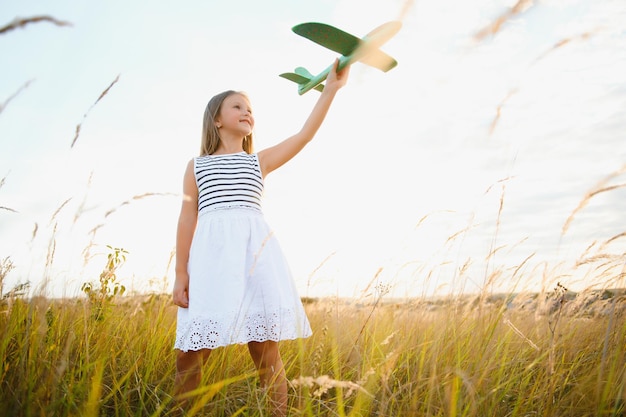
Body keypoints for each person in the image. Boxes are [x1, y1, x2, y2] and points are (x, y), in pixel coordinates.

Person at [172, 59, 350, 416]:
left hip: (255, 261)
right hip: (210, 265)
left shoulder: (258, 162)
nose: (247, 112)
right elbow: (187, 216)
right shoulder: (197, 166)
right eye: (237, 106)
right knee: (189, 356)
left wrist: (330, 90)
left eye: (250, 108)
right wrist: (181, 274)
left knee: (266, 352)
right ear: (217, 119)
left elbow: (304, 135)